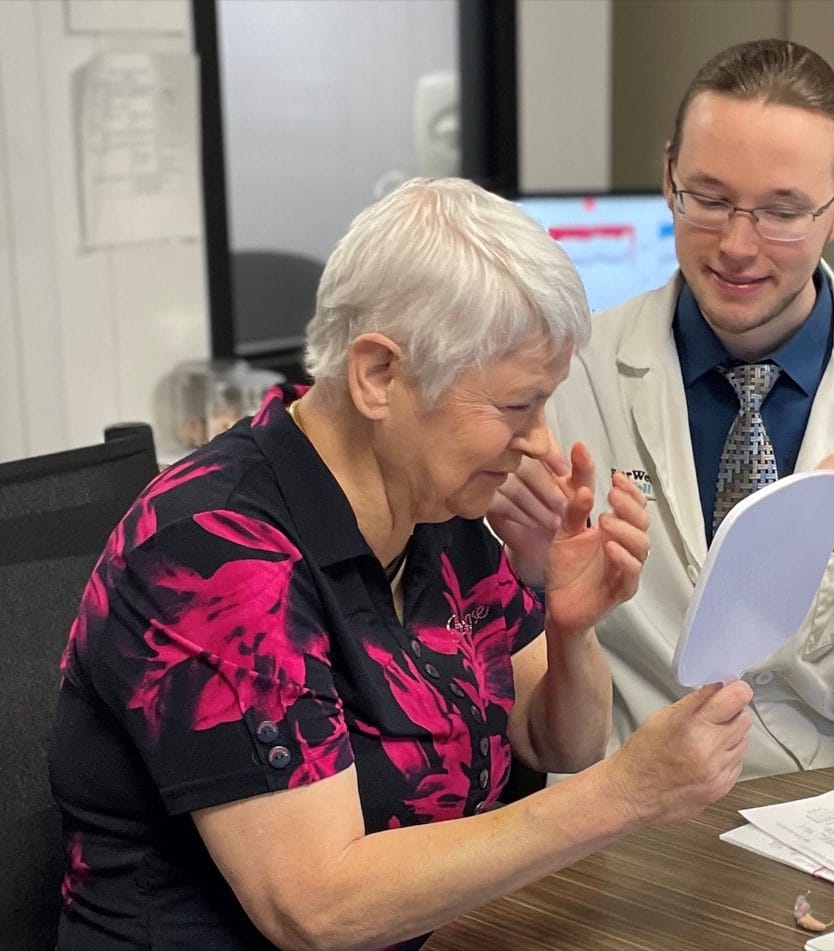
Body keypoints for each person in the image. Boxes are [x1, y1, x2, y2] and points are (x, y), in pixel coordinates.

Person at [48, 177, 754, 950]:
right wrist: (627, 793)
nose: (545, 446)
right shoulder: (216, 551)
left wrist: (569, 625)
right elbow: (317, 905)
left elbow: (560, 742)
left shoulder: (432, 506)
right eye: (517, 406)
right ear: (379, 376)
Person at [490, 39, 834, 779]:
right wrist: (523, 560)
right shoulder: (570, 373)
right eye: (707, 197)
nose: (736, 244)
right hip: (639, 809)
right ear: (669, 176)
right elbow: (497, 646)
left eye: (782, 211)